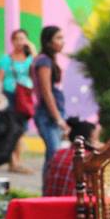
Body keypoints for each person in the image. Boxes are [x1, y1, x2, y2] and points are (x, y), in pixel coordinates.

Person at [31, 25, 70, 174]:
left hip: (52, 113)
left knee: (52, 156)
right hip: (47, 115)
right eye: (58, 38)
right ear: (48, 42)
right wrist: (58, 118)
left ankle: (49, 192)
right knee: (54, 155)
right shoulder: (44, 62)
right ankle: (48, 193)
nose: (62, 42)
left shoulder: (46, 60)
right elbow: (46, 92)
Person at [0, 29, 34, 174]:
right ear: (12, 41)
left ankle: (17, 160)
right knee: (11, 129)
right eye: (16, 39)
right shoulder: (6, 59)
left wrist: (32, 51)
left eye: (22, 38)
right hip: (9, 96)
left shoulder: (31, 59)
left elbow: (37, 71)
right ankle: (14, 161)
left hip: (25, 98)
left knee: (22, 130)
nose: (20, 42)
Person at [42, 117, 102, 197]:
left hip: (49, 203)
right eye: (96, 139)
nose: (99, 143)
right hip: (73, 206)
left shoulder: (58, 153)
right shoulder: (88, 158)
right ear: (89, 140)